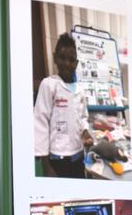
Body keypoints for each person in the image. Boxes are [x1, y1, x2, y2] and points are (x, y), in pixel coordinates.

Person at [34, 32, 93, 178]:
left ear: (77, 63)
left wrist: (85, 132)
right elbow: (40, 123)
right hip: (57, 160)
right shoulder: (49, 85)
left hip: (78, 156)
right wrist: (46, 166)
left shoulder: (80, 90)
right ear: (55, 58)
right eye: (62, 58)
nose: (67, 63)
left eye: (71, 60)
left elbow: (83, 117)